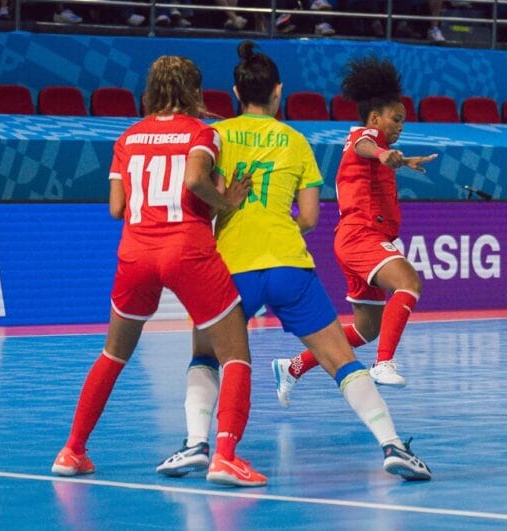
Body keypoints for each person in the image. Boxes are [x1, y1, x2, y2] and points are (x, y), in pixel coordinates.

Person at [156, 41, 431, 482]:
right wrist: (278, 227)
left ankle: (195, 446)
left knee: (206, 357)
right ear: (278, 92)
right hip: (288, 264)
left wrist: (228, 209)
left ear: (235, 90)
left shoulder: (217, 136)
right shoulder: (297, 141)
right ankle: (393, 446)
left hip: (229, 268)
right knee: (341, 360)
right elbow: (307, 217)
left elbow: (195, 187)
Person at [51, 55, 266, 488]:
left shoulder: (127, 137)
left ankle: (72, 450)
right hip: (187, 249)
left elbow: (116, 209)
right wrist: (227, 202)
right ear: (194, 90)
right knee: (236, 354)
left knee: (113, 354)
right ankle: (225, 456)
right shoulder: (202, 133)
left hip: (135, 252)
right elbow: (193, 181)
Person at [270, 55, 436, 406]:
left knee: (365, 329)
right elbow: (366, 146)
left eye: (403, 120)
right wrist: (382, 153)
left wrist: (402, 161)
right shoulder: (365, 136)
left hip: (356, 238)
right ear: (376, 117)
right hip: (362, 235)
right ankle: (384, 363)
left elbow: (375, 155)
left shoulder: (379, 148)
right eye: (396, 118)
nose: (400, 125)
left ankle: (293, 366)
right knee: (409, 283)